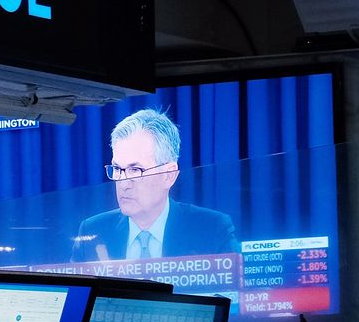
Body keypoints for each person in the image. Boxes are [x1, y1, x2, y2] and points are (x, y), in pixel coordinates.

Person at [71, 109, 239, 262]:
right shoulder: (92, 232)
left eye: (135, 170)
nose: (123, 183)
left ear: (169, 175)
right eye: (117, 169)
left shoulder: (212, 229)